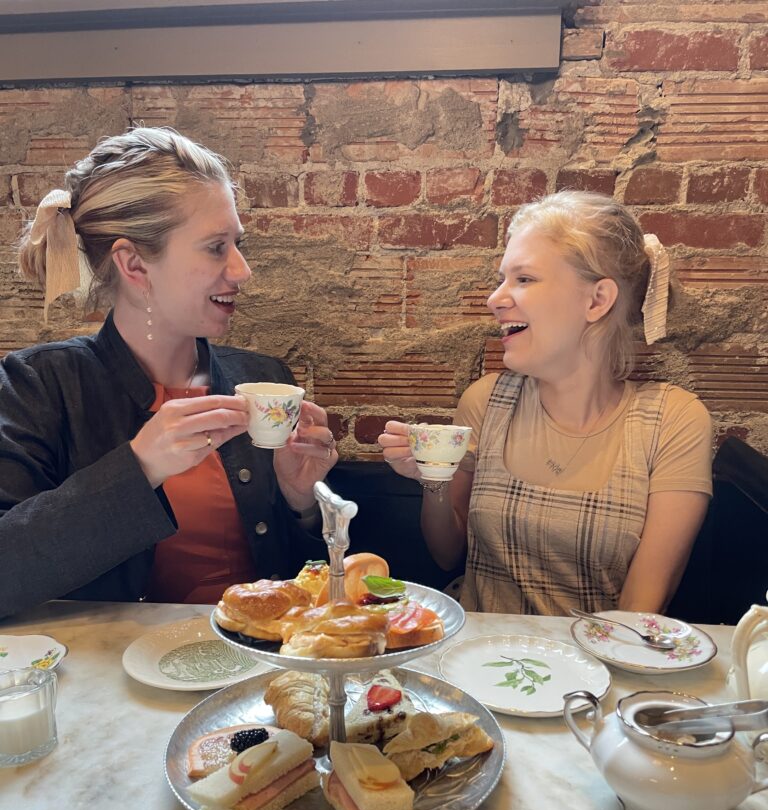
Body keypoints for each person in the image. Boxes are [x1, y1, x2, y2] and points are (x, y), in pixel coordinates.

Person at [0, 126, 337, 619]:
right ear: (134, 265)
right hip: (109, 688)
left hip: (249, 679)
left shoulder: (264, 379)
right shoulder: (38, 386)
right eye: (216, 247)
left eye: (237, 244)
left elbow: (312, 596)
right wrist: (140, 467)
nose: (242, 269)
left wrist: (304, 504)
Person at [379, 191, 712, 615]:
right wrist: (433, 479)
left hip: (597, 668)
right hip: (479, 659)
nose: (495, 299)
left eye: (524, 279)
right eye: (502, 279)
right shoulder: (485, 402)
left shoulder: (674, 420)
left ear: (597, 300)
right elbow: (447, 556)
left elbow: (640, 610)